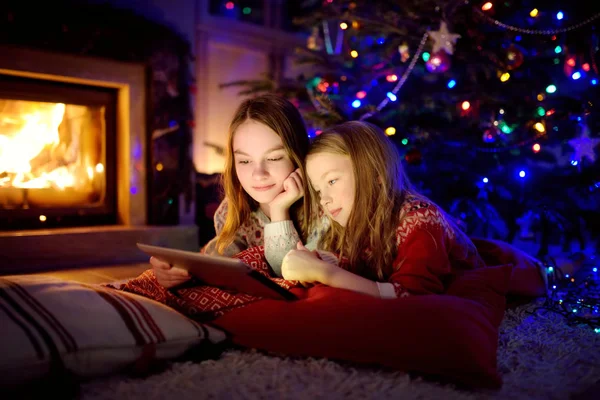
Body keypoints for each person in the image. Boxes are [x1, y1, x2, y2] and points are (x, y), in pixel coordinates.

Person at [281, 121, 485, 298]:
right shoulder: (353, 219)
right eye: (317, 191)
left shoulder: (422, 218)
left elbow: (414, 297)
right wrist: (325, 261)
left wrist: (325, 272)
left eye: (332, 181)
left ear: (375, 174)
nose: (323, 199)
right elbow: (365, 272)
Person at [150, 94, 328, 288]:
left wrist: (279, 212)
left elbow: (288, 276)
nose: (258, 174)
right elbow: (221, 259)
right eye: (244, 161)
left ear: (298, 155)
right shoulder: (236, 207)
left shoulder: (325, 206)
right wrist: (179, 271)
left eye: (275, 158)